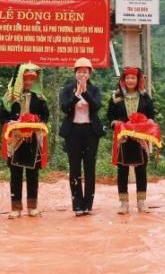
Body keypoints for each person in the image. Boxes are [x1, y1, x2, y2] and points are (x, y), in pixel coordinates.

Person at [0, 63, 49, 218]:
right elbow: (2, 117)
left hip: (32, 139)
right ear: (20, 79)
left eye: (31, 80)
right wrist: (12, 122)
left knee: (33, 173)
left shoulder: (39, 98)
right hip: (15, 140)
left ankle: (32, 207)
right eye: (25, 79)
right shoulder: (10, 98)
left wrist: (37, 119)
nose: (28, 82)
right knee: (15, 174)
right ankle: (16, 208)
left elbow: (46, 116)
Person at [59, 57, 104, 216]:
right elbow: (64, 108)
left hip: (91, 132)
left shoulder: (95, 89)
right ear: (75, 73)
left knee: (90, 168)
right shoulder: (68, 89)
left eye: (85, 72)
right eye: (79, 72)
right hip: (73, 132)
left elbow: (97, 106)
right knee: (75, 167)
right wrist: (77, 94)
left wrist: (85, 92)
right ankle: (77, 205)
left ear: (90, 73)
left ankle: (88, 205)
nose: (82, 74)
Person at [107, 66, 155, 214]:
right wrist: (115, 123)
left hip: (140, 138)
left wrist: (148, 125)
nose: (130, 80)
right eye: (127, 78)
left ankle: (141, 202)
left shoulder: (145, 97)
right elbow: (109, 116)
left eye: (133, 78)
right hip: (123, 138)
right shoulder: (116, 97)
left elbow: (151, 116)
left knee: (141, 170)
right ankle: (124, 203)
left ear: (138, 80)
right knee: (122, 170)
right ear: (123, 80)